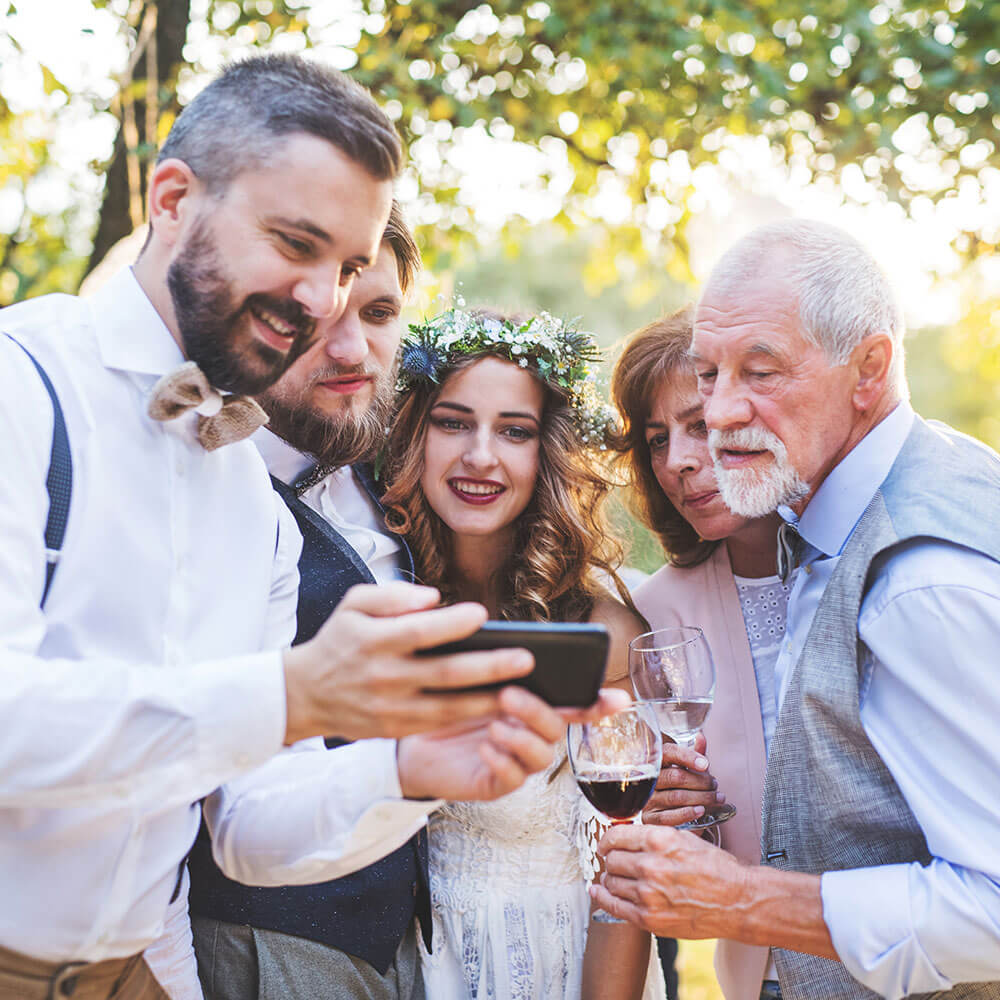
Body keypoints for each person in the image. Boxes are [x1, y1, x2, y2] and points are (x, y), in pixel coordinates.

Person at [0, 55, 612, 1000]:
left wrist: (410, 771)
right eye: (296, 244)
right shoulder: (20, 388)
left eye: (352, 269)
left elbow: (245, 826)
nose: (324, 303)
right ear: (171, 200)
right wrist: (291, 692)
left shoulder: (252, 505)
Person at [591, 219, 1000, 1000]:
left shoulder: (921, 581)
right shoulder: (832, 514)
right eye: (710, 373)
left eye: (762, 370)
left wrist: (741, 900)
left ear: (869, 368)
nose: (718, 413)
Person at [181, 204, 430, 1000]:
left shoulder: (400, 468)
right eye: (319, 316)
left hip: (413, 944)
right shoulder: (202, 481)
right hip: (261, 940)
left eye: (381, 311)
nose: (354, 348)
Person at [380, 307, 664, 1000]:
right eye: (452, 422)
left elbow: (622, 879)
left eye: (514, 431)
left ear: (548, 455)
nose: (480, 455)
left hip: (563, 966)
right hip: (416, 972)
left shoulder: (605, 637)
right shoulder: (382, 599)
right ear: (415, 434)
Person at [611, 306, 782, 1000]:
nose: (678, 461)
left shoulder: (855, 564)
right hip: (764, 976)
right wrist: (674, 812)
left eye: (698, 423)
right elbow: (688, 844)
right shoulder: (659, 610)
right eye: (657, 440)